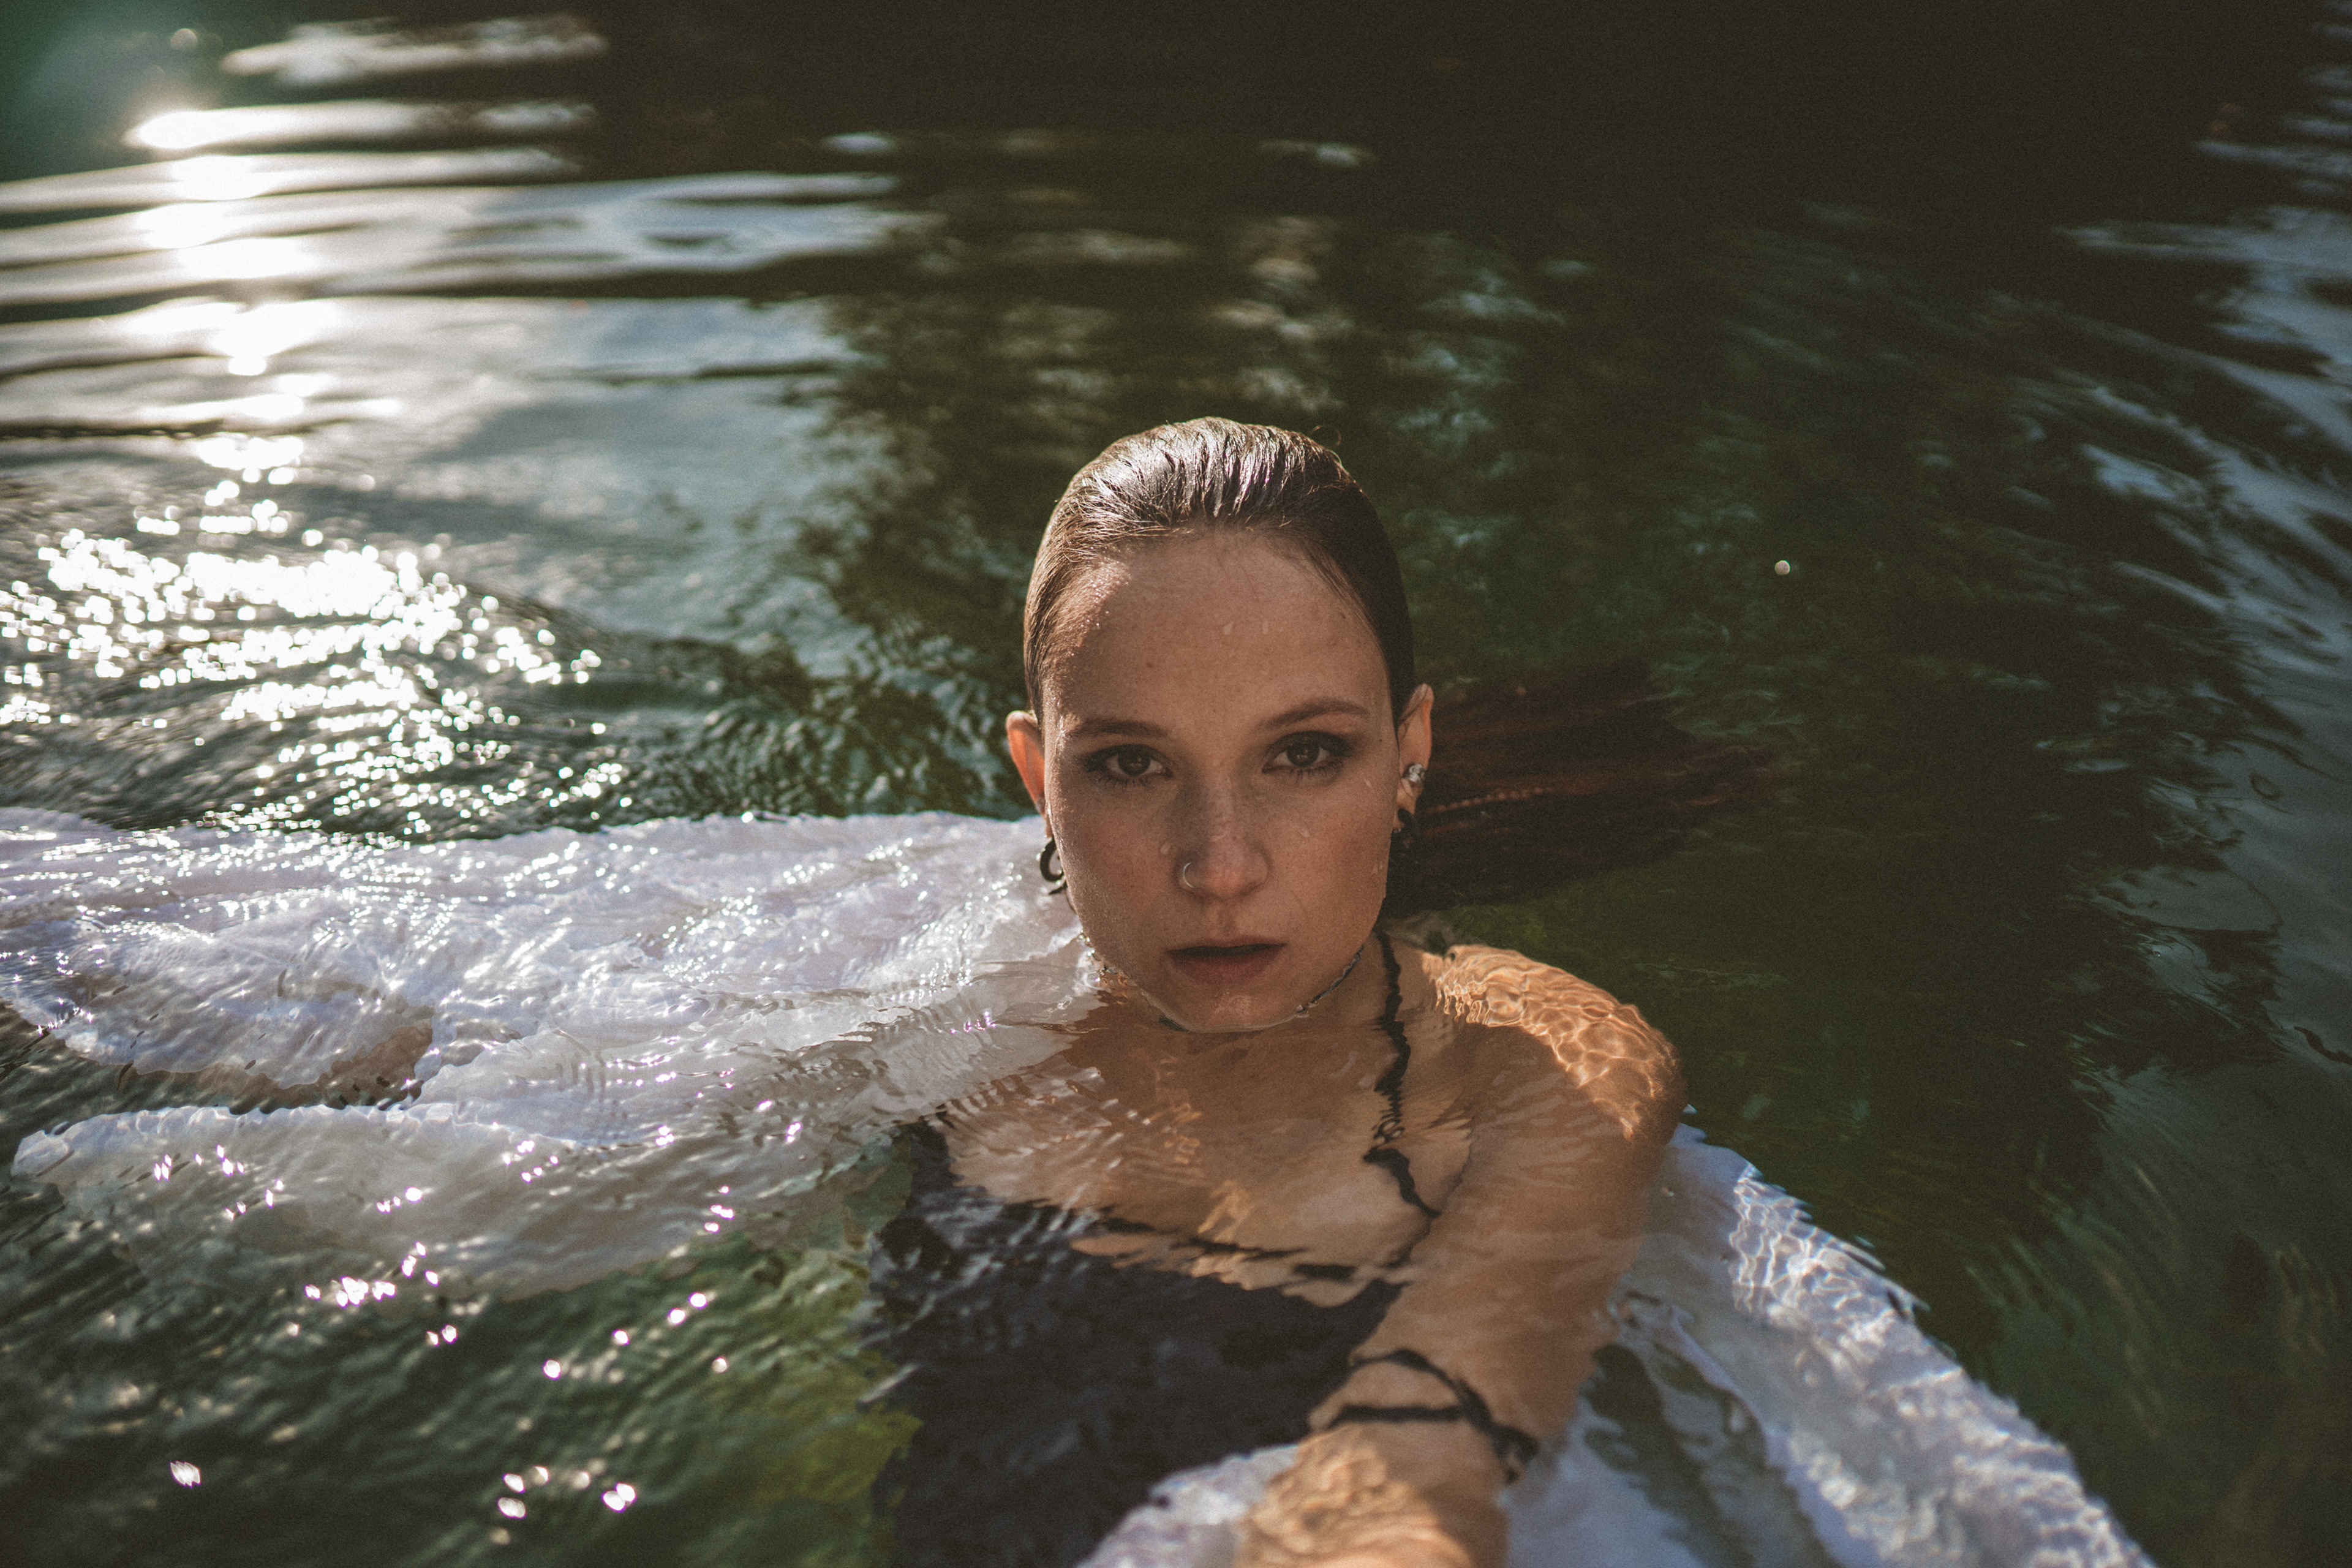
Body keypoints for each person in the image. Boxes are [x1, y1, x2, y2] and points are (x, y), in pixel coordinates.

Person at [867, 418, 1756, 1568]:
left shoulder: (1534, 1061)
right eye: (1132, 764)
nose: (1221, 868)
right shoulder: (937, 1009)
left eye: (1304, 755)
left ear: (1409, 753)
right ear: (1040, 780)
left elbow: (1414, 1484)